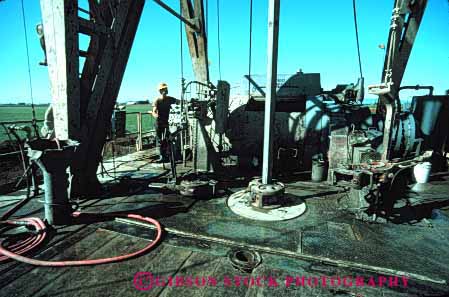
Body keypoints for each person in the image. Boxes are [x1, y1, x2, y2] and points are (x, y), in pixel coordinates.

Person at [150, 83, 179, 162]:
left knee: (167, 138)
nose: (166, 90)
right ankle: (161, 156)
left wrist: (189, 101)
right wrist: (155, 115)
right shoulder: (157, 100)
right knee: (159, 139)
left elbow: (178, 101)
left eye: (166, 89)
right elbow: (154, 111)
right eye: (164, 89)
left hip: (166, 122)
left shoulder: (170, 99)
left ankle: (166, 155)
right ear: (160, 91)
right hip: (159, 122)